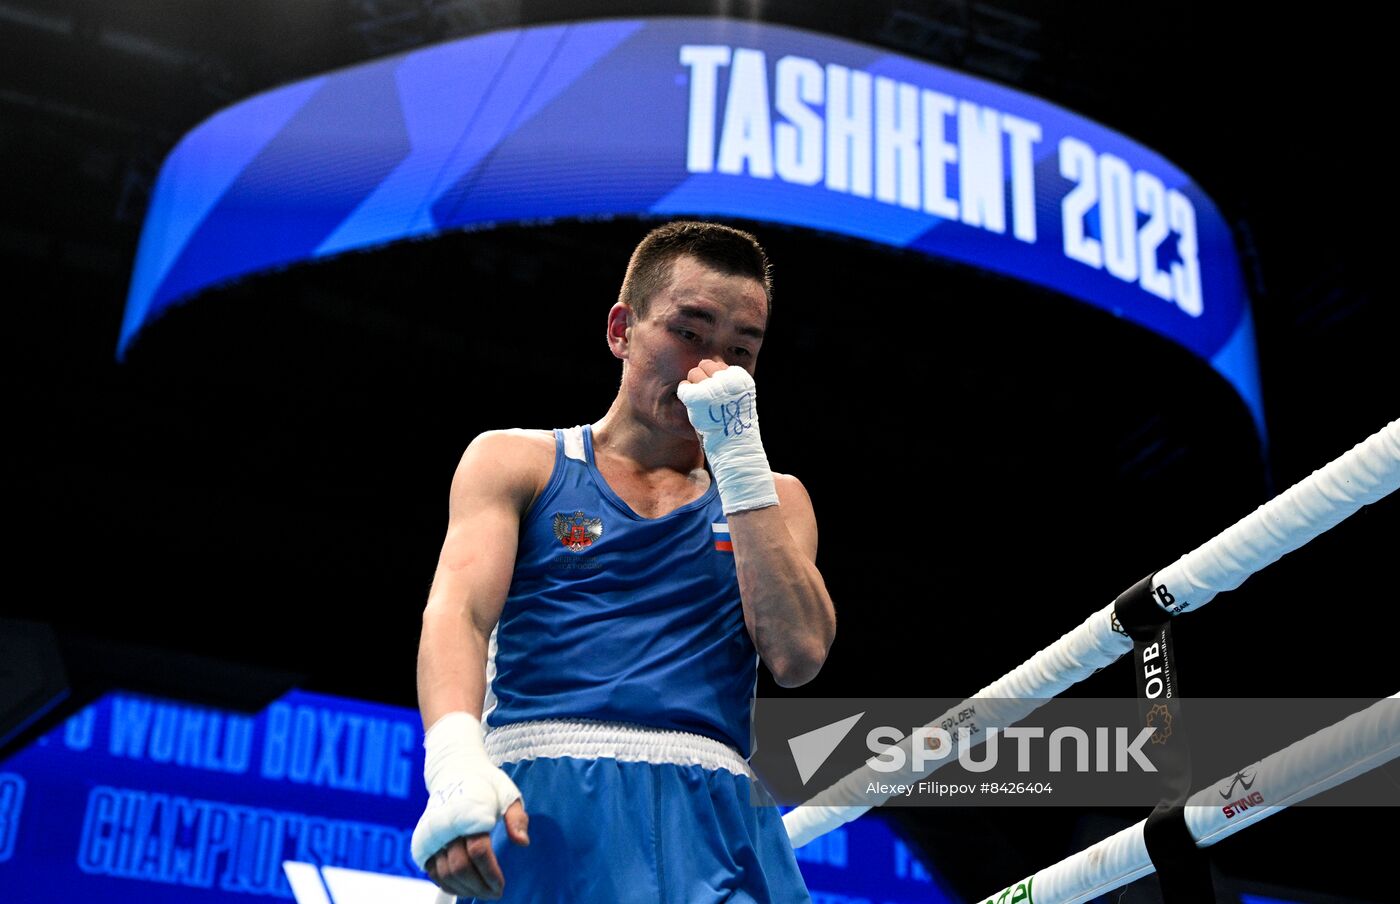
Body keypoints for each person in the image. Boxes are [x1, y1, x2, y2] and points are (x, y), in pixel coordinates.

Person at [411, 221, 837, 902]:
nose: (711, 370)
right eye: (689, 333)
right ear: (622, 330)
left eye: (740, 351)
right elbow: (458, 615)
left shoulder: (775, 499)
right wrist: (455, 764)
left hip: (717, 816)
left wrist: (740, 464)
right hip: (551, 801)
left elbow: (799, 656)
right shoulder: (517, 462)